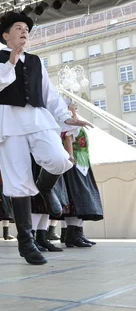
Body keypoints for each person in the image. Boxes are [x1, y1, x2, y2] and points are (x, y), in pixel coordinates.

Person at [0, 12, 92, 265]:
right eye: (18, 28)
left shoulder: (37, 61)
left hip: (38, 119)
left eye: (26, 29)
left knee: (61, 160)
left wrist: (66, 117)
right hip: (9, 121)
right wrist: (11, 62)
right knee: (18, 181)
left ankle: (45, 186)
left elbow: (49, 95)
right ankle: (26, 242)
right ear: (6, 36)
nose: (24, 31)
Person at [61, 100, 104, 247]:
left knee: (84, 198)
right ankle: (72, 235)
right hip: (75, 163)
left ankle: (77, 233)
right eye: (72, 106)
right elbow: (68, 138)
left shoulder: (75, 121)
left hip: (83, 162)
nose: (75, 108)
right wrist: (70, 157)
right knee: (76, 198)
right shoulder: (67, 121)